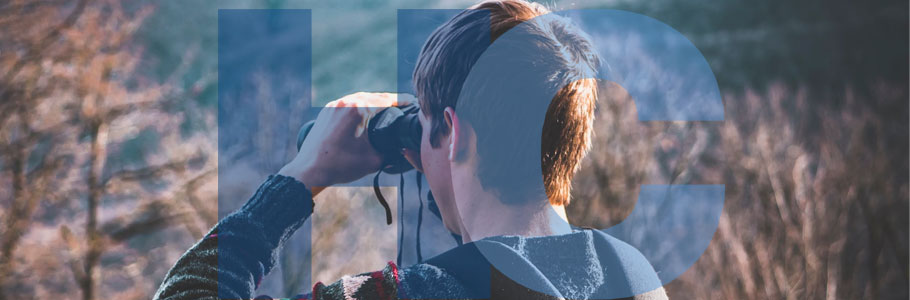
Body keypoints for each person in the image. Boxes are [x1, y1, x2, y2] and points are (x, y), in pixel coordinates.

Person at [153, 1, 668, 299]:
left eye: (423, 124)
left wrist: (299, 175)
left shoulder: (418, 293)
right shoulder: (635, 278)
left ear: (455, 131)